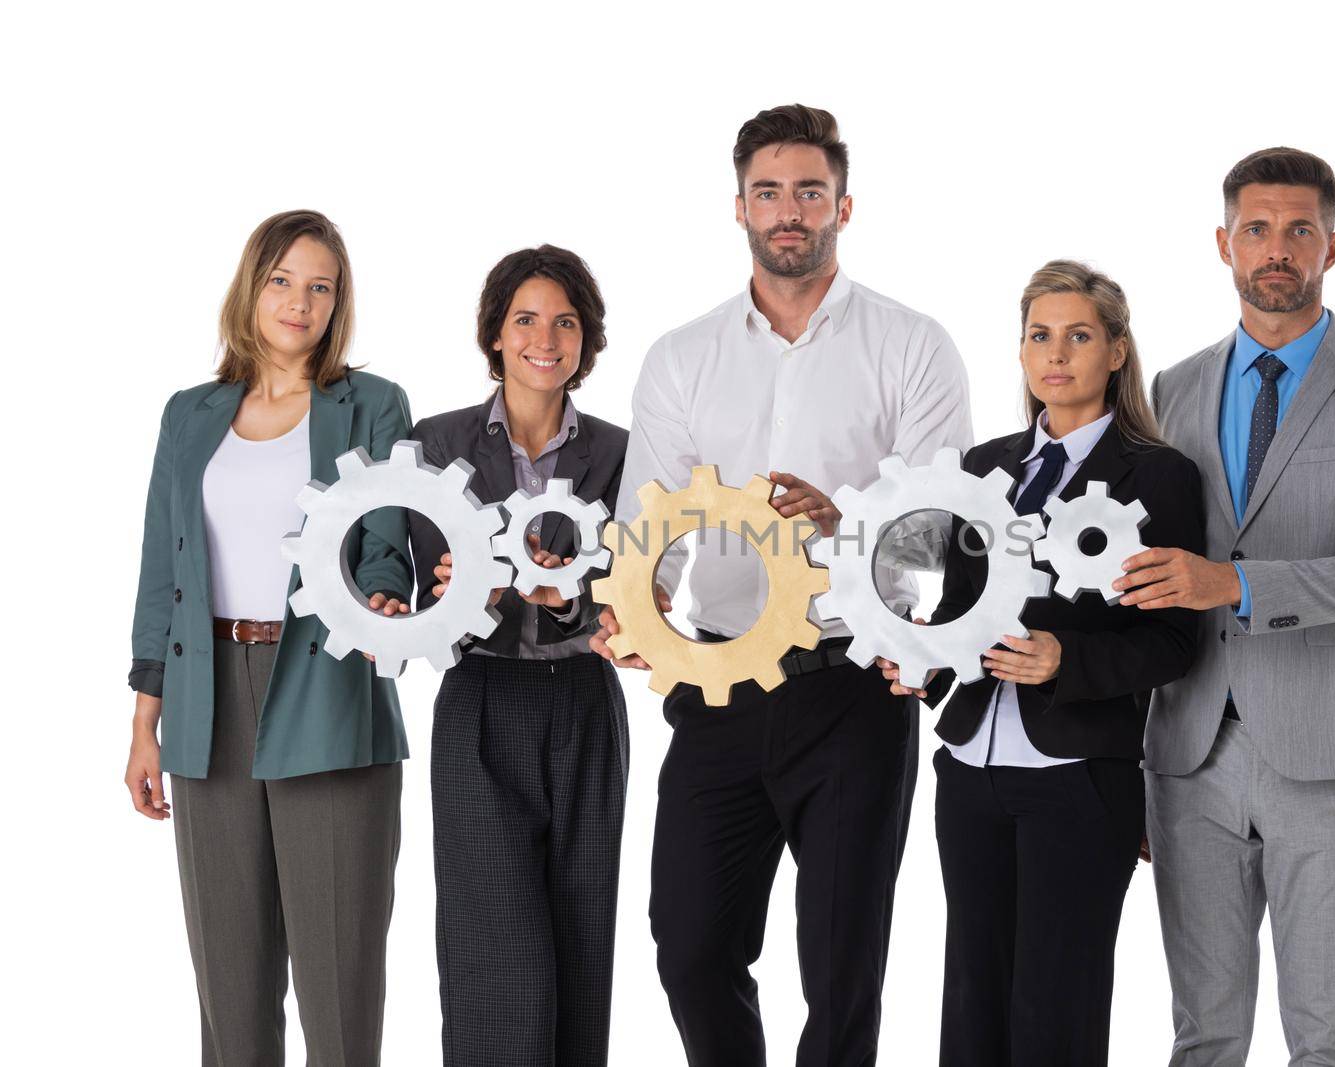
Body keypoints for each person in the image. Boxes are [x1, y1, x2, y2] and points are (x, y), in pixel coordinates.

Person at [591, 103, 973, 1066]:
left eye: (810, 190)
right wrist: (633, 617)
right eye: (770, 192)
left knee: (842, 969)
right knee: (689, 945)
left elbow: (941, 536)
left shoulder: (912, 345)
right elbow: (651, 529)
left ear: (845, 203)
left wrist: (844, 527)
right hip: (718, 682)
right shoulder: (682, 357)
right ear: (739, 208)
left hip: (851, 688)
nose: (789, 210)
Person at [1116, 148, 1335, 1066]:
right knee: (1204, 1033)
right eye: (1257, 228)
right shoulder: (1174, 389)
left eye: (1300, 230)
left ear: (1332, 245)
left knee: (1325, 1037)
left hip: (1330, 756)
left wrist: (1238, 583)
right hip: (1187, 755)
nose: (1278, 248)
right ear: (1223, 242)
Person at [876, 260, 1205, 1066]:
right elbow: (944, 606)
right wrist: (922, 665)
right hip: (968, 765)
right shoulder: (981, 467)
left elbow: (1175, 642)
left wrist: (1066, 658)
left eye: (1079, 335)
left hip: (1078, 775)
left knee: (1055, 1006)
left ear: (1118, 351)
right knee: (973, 998)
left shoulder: (1160, 474)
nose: (1056, 354)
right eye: (1039, 335)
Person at [124, 209, 413, 1064]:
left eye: (321, 286)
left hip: (326, 688)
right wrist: (146, 721)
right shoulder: (190, 415)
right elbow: (161, 573)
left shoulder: (372, 405)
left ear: (339, 303)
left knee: (338, 983)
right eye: (284, 279)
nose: (300, 301)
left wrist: (389, 605)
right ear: (252, 286)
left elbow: (387, 541)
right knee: (230, 991)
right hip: (206, 699)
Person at [408, 245, 629, 1066]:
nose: (547, 337)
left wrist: (565, 598)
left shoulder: (618, 453)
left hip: (584, 701)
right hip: (482, 702)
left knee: (580, 939)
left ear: (585, 339)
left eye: (566, 321)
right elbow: (427, 596)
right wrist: (473, 593)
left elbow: (631, 585)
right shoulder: (436, 444)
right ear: (495, 335)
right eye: (526, 319)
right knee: (493, 950)